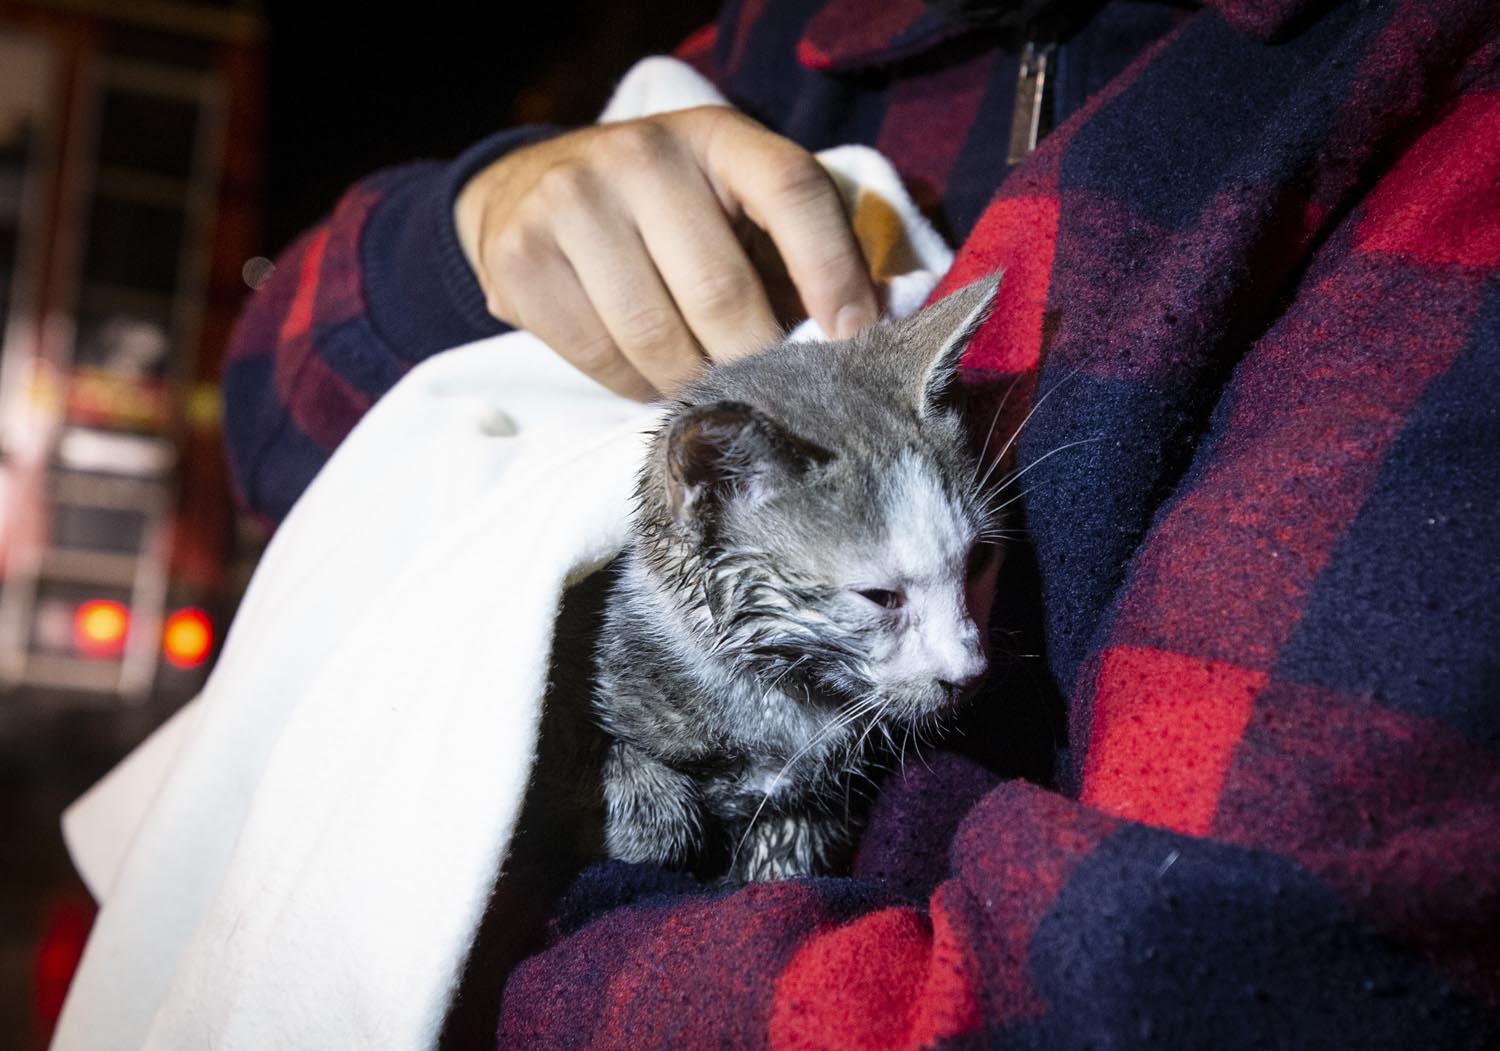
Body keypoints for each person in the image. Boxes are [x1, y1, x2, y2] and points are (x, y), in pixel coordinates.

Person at [223, 1, 1500, 1047]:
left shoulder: (1412, 78)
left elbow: (1182, 974)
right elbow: (267, 412)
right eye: (895, 603)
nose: (968, 658)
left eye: (976, 573)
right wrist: (471, 225)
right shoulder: (785, 50)